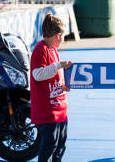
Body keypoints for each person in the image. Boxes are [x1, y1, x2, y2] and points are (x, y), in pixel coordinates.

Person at [30, 13, 72, 162]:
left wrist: (63, 86)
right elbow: (38, 74)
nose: (63, 39)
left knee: (61, 142)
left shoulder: (53, 50)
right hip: (47, 108)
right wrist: (59, 65)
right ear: (57, 35)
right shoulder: (40, 49)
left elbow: (54, 75)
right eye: (63, 36)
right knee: (50, 143)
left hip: (60, 105)